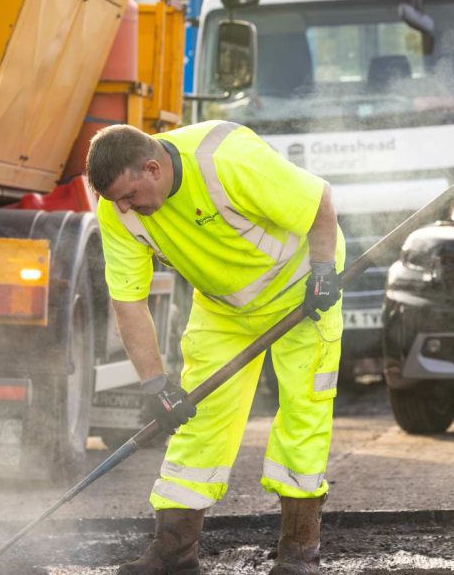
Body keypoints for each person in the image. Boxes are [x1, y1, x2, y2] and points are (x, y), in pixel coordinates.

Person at [88, 120, 345, 575]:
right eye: (116, 201)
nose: (125, 208)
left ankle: (299, 555)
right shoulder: (118, 211)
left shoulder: (226, 161)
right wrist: (155, 385)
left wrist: (323, 270)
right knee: (198, 419)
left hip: (301, 292)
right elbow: (128, 300)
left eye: (129, 196)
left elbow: (318, 200)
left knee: (304, 411)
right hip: (224, 307)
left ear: (152, 168)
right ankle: (173, 554)